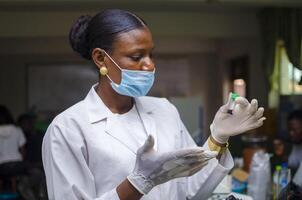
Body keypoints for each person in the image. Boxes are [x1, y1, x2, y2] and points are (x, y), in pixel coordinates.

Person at [42, 9, 265, 200]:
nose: (149, 65)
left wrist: (218, 138)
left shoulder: (164, 110)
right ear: (101, 58)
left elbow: (191, 191)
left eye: (151, 54)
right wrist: (138, 182)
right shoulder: (67, 129)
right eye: (137, 56)